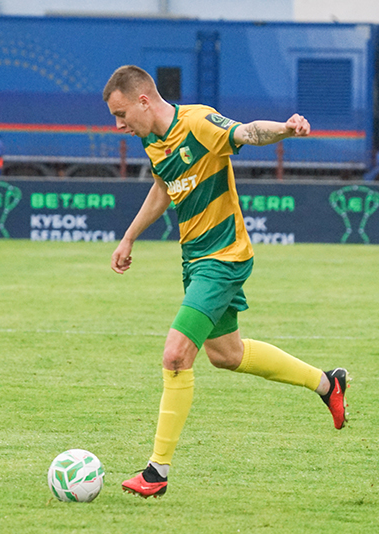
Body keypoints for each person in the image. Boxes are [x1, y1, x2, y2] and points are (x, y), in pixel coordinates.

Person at [103, 65, 350, 499]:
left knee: (176, 355)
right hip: (195, 261)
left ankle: (156, 472)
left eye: (121, 114)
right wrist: (129, 237)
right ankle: (328, 383)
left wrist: (286, 129)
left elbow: (247, 132)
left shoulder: (197, 122)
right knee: (226, 355)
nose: (118, 125)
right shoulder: (152, 139)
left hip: (223, 258)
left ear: (143, 100)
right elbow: (163, 187)